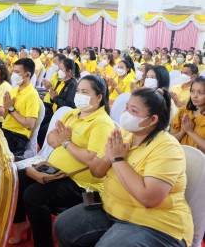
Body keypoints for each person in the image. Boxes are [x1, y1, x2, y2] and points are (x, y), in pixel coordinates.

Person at [54, 88, 193, 247]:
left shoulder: (167, 148)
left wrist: (118, 159)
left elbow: (149, 199)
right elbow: (96, 171)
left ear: (153, 119)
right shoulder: (124, 133)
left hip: (154, 223)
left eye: (133, 111)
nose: (125, 113)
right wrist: (108, 156)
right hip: (112, 207)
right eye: (127, 107)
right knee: (63, 225)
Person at [9, 75, 114, 246]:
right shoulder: (72, 113)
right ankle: (22, 223)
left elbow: (91, 159)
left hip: (83, 186)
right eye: (78, 90)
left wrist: (65, 142)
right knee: (19, 178)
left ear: (99, 97)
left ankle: (44, 243)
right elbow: (51, 139)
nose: (79, 94)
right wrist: (64, 142)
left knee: (33, 196)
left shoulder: (102, 123)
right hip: (56, 171)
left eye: (84, 92)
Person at [37, 58, 79, 147]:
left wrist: (55, 98)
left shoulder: (72, 84)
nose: (59, 71)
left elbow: (69, 105)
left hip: (63, 116)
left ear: (69, 71)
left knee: (44, 131)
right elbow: (54, 98)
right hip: (55, 111)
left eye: (61, 69)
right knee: (39, 124)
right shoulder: (61, 81)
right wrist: (49, 89)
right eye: (59, 68)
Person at [171, 76, 205, 152]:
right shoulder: (184, 112)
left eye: (200, 93)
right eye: (192, 91)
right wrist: (183, 131)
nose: (195, 96)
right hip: (183, 158)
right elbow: (171, 140)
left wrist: (190, 131)